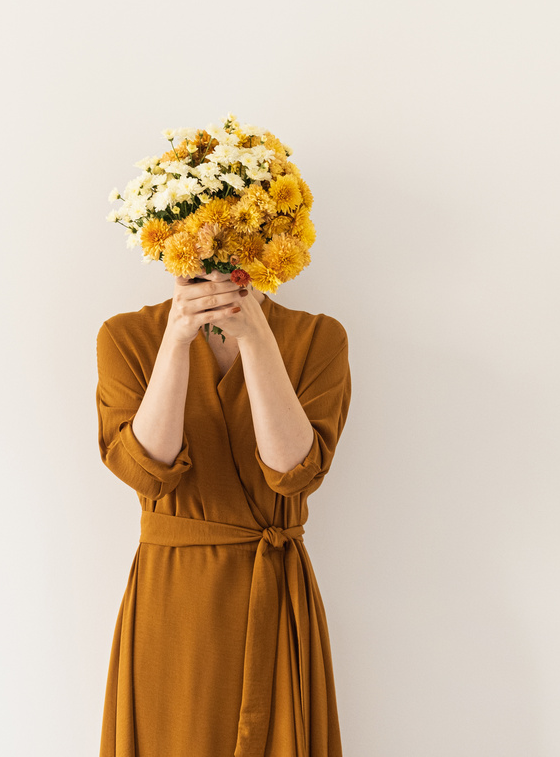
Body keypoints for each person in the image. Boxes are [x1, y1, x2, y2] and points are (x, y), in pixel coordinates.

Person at [95, 265, 352, 757]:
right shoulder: (127, 337)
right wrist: (176, 340)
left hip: (273, 585)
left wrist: (256, 339)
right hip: (173, 599)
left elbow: (293, 472)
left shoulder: (317, 336)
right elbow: (147, 472)